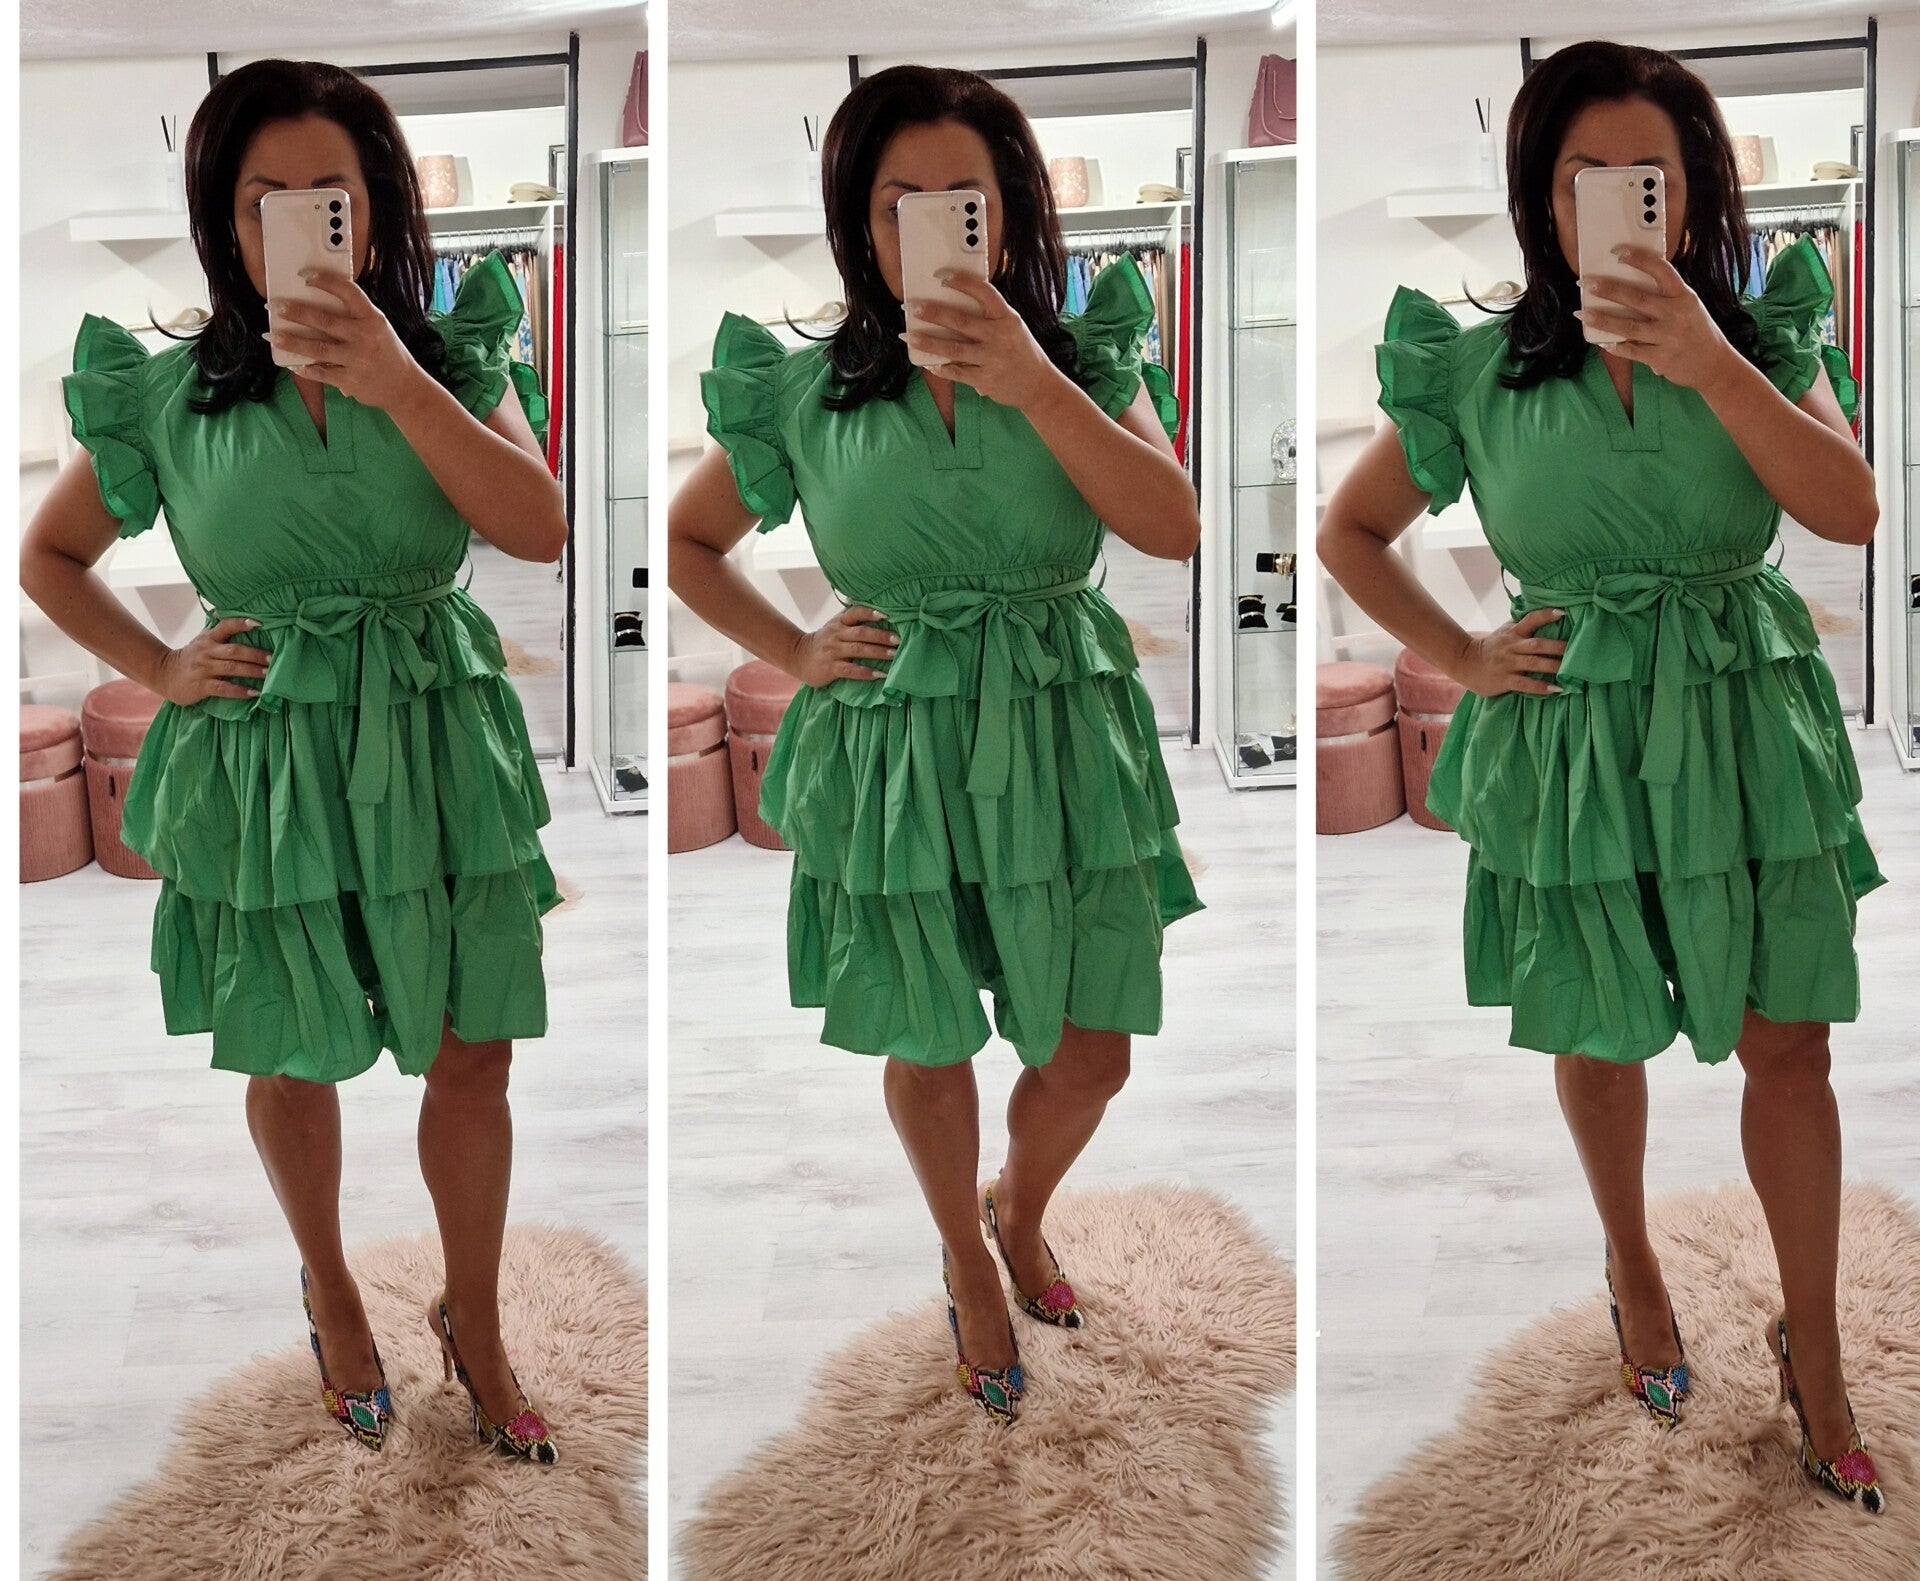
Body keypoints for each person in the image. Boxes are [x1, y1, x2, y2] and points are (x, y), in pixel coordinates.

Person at [1319, 40, 1886, 1514]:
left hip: (1744, 729)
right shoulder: (1474, 372)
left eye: (1651, 174)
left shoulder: (1764, 336)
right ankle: (1634, 1267)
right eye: (1586, 175)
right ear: (1542, 195)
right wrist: (1462, 649)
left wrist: (1710, 359)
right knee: (1601, 1025)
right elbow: (1348, 532)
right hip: (1573, 742)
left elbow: (1850, 508)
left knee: (1790, 1042)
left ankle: (1816, 1348)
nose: (1622, 200)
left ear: (1695, 191)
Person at [21, 58, 568, 1464]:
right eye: (263, 194)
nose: (298, 216)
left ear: (376, 207)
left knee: (474, 1048)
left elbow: (538, 525)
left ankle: (475, 1315)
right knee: (291, 1041)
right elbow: (51, 556)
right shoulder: (162, 395)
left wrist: (395, 379)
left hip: (435, 741)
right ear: (224, 218)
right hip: (265, 758)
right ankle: (330, 1288)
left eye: (329, 191)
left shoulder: (454, 360)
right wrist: (160, 668)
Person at [668, 64, 1203, 1424]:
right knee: (928, 1027)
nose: (931, 222)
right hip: (894, 741)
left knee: (1093, 1047)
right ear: (861, 224)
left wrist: (1032, 379)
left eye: (961, 196)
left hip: (1062, 734)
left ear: (1010, 211)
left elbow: (1173, 523)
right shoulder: (802, 391)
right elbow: (689, 543)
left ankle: (1017, 1208)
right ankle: (968, 1254)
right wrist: (794, 649)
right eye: (896, 199)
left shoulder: (1087, 362)